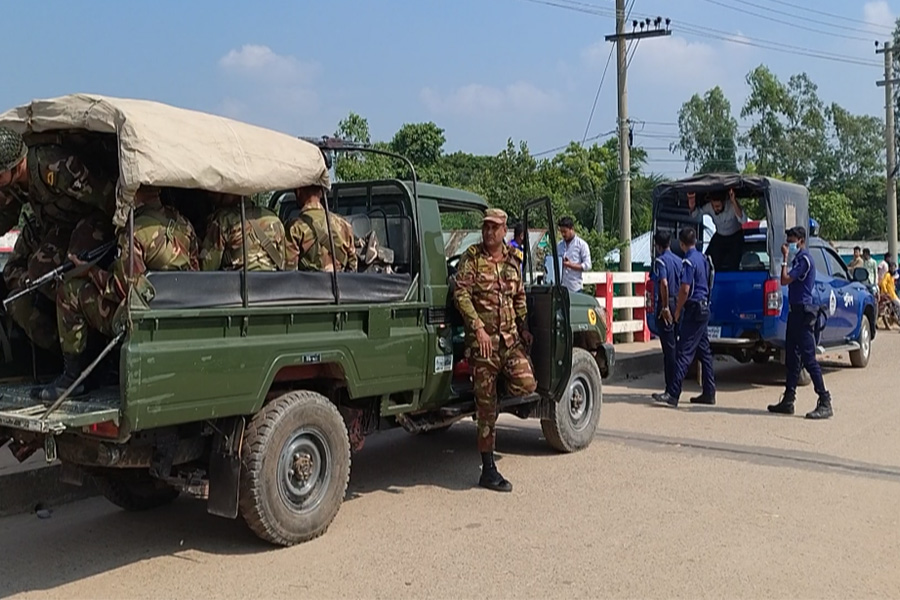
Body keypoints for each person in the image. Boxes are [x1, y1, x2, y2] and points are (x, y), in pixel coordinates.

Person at [33, 185, 199, 401]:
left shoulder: (133, 231)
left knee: (69, 291)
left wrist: (90, 271)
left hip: (139, 320)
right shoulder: (183, 223)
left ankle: (73, 378)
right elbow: (196, 269)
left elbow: (123, 289)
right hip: (176, 314)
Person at [0, 127, 116, 348]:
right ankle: (80, 336)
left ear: (15, 166)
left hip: (96, 218)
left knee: (73, 267)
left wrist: (124, 237)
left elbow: (107, 197)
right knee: (39, 271)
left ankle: (100, 322)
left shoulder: (56, 166)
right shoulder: (11, 182)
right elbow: (5, 214)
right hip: (64, 226)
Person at [453, 208, 537, 492]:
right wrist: (476, 326)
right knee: (486, 410)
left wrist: (524, 326)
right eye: (486, 227)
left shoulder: (514, 261)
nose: (489, 232)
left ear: (504, 232)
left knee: (527, 384)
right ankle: (488, 469)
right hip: (484, 346)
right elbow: (460, 292)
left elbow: (520, 297)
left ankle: (495, 388)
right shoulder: (473, 258)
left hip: (510, 342)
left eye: (494, 228)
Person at [767, 226, 833, 420]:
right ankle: (788, 399)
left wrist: (785, 258)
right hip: (795, 313)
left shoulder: (804, 260)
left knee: (809, 359)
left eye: (792, 240)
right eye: (788, 240)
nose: (789, 243)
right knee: (792, 359)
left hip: (804, 314)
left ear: (802, 240)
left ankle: (825, 400)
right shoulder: (799, 259)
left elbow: (785, 279)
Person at [652, 227, 715, 407]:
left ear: (681, 243)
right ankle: (709, 391)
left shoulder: (688, 261)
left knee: (683, 352)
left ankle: (673, 393)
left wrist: (677, 310)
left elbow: (685, 288)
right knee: (704, 351)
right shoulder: (703, 258)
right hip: (704, 307)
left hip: (693, 308)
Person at [200, 193, 286, 271]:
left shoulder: (223, 220)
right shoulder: (273, 218)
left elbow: (207, 268)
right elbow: (284, 264)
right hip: (272, 284)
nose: (212, 196)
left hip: (237, 285)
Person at [286, 185, 357, 272]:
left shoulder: (295, 228)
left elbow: (289, 272)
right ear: (321, 193)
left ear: (298, 191)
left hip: (309, 284)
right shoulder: (343, 224)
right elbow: (353, 268)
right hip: (340, 284)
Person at [651, 231, 682, 393]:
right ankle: (676, 385)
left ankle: (671, 388)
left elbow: (663, 283)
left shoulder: (660, 262)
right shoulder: (679, 261)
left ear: (657, 245)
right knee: (676, 347)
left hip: (667, 303)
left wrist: (664, 307)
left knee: (669, 350)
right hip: (679, 302)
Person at [687, 188, 747, 271]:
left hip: (735, 237)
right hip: (720, 236)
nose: (715, 209)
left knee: (733, 264)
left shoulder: (732, 206)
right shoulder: (709, 207)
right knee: (708, 259)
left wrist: (734, 201)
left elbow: (743, 220)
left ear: (724, 202)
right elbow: (696, 215)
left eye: (718, 206)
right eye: (713, 206)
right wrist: (692, 205)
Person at [556, 216, 592, 294]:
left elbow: (588, 265)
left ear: (572, 229)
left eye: (565, 231)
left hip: (575, 288)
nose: (563, 234)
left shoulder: (582, 245)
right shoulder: (559, 246)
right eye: (561, 232)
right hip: (561, 289)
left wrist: (570, 265)